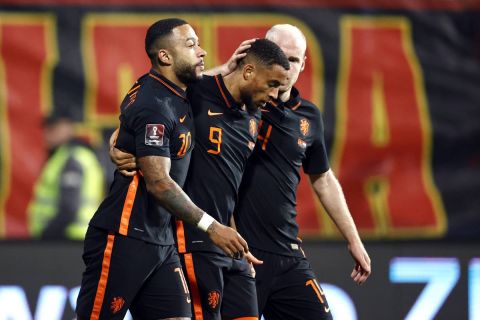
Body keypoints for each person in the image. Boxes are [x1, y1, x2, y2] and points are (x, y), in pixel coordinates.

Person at [75, 18, 250, 320]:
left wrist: (226, 70)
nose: (203, 51)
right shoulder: (155, 105)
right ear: (165, 57)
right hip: (124, 236)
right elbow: (159, 183)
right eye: (191, 44)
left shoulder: (170, 90)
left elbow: (133, 114)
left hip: (161, 239)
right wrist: (213, 227)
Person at [110, 38, 290, 320]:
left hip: (229, 244)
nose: (276, 94)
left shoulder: (255, 117)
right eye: (272, 84)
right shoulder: (197, 93)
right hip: (193, 241)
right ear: (248, 71)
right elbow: (147, 101)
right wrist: (119, 139)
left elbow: (228, 184)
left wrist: (236, 238)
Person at [234, 24, 371, 320]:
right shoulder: (235, 104)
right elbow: (185, 95)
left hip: (287, 253)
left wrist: (353, 239)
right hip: (238, 251)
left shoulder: (308, 116)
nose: (285, 67)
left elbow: (322, 178)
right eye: (278, 56)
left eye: (293, 60)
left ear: (303, 64)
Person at [28, 114, 104, 240]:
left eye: (52, 128)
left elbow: (69, 208)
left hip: (69, 239)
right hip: (75, 239)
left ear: (68, 128)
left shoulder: (72, 158)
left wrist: (46, 235)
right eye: (46, 129)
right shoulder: (66, 155)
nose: (46, 134)